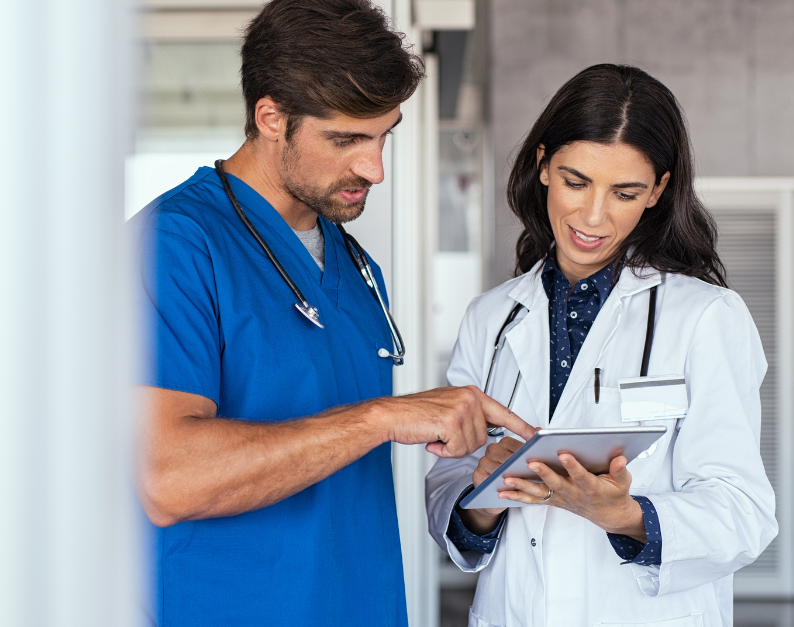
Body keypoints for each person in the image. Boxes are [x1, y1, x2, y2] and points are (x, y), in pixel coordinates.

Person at [132, 2, 535, 625]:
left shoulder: (356, 267)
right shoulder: (174, 246)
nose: (373, 168)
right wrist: (378, 418)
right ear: (271, 117)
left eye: (383, 136)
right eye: (346, 139)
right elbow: (167, 477)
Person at [425, 64, 778, 627]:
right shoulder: (490, 318)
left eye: (625, 192)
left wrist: (628, 516)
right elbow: (446, 488)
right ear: (542, 165)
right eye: (575, 181)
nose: (592, 216)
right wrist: (485, 496)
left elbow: (743, 512)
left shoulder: (706, 316)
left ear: (658, 191)